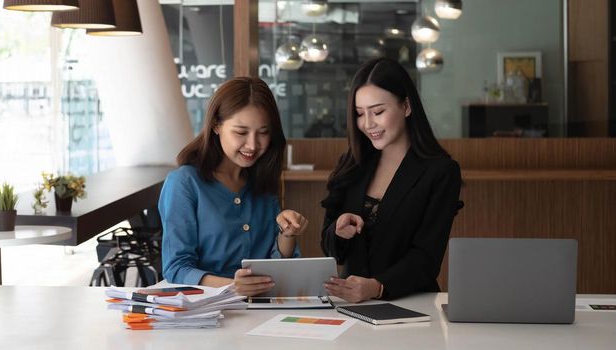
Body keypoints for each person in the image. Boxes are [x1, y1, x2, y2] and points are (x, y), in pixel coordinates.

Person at [321, 57, 462, 303]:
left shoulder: (441, 172)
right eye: (359, 114)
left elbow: (427, 258)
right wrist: (339, 232)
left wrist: (377, 287)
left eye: (378, 112)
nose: (368, 124)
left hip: (413, 305)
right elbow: (330, 248)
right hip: (352, 306)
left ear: (406, 106)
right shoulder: (352, 163)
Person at [160, 77, 308, 296]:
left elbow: (277, 262)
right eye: (241, 132)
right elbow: (176, 267)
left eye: (264, 132)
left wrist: (287, 234)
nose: (253, 145)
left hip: (261, 306)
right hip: (206, 310)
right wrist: (231, 286)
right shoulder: (184, 183)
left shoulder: (262, 182)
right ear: (216, 126)